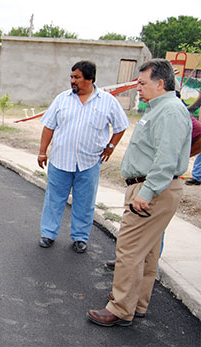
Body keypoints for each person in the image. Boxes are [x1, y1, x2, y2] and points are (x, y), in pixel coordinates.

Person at [88, 59, 192, 327]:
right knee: (147, 252)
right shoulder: (162, 108)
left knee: (130, 249)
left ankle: (121, 308)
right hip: (154, 187)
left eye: (142, 83)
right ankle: (137, 304)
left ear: (160, 83)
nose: (138, 88)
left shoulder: (169, 112)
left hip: (153, 189)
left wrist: (145, 193)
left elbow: (166, 159)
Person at [37, 60, 129, 253]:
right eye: (71, 77)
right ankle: (48, 234)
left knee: (84, 203)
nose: (72, 81)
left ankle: (80, 237)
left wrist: (111, 146)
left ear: (90, 78)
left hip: (89, 163)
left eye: (77, 77)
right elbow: (48, 126)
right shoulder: (62, 99)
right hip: (60, 161)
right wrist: (42, 151)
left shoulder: (108, 101)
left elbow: (121, 126)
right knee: (54, 200)